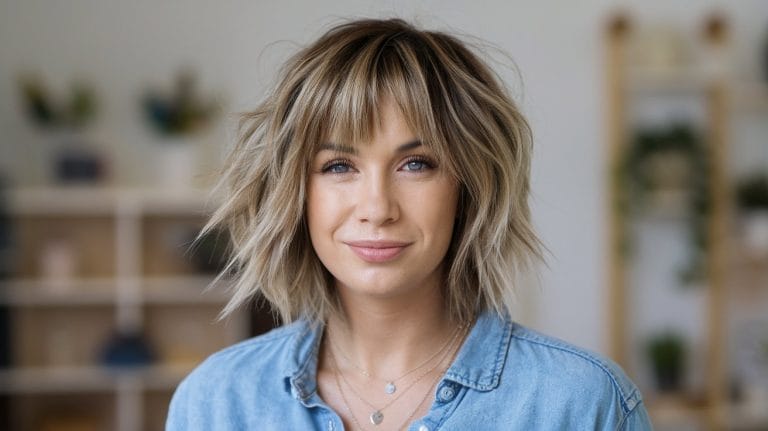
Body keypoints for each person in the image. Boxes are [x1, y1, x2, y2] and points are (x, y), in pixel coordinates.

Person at [166, 18, 652, 430]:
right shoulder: (216, 403)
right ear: (297, 192)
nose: (377, 208)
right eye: (339, 166)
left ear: (468, 186)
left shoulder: (582, 405)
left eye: (416, 163)